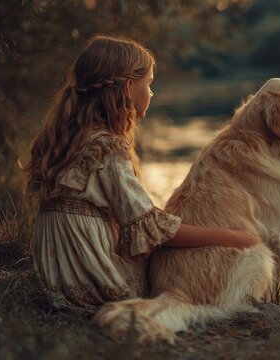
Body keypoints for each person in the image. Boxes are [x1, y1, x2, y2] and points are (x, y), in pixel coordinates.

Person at [23, 35, 261, 311]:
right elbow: (154, 230)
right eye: (149, 84)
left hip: (56, 269)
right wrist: (231, 237)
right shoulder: (107, 148)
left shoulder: (69, 138)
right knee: (173, 262)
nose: (151, 93)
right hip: (89, 274)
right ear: (128, 87)